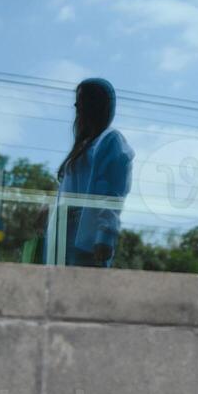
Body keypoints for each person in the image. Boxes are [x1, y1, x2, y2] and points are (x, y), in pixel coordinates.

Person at [47, 78, 133, 268]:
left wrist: (105, 235)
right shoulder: (84, 146)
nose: (76, 105)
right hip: (64, 236)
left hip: (85, 241)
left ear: (96, 104)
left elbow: (112, 193)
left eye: (82, 99)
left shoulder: (111, 140)